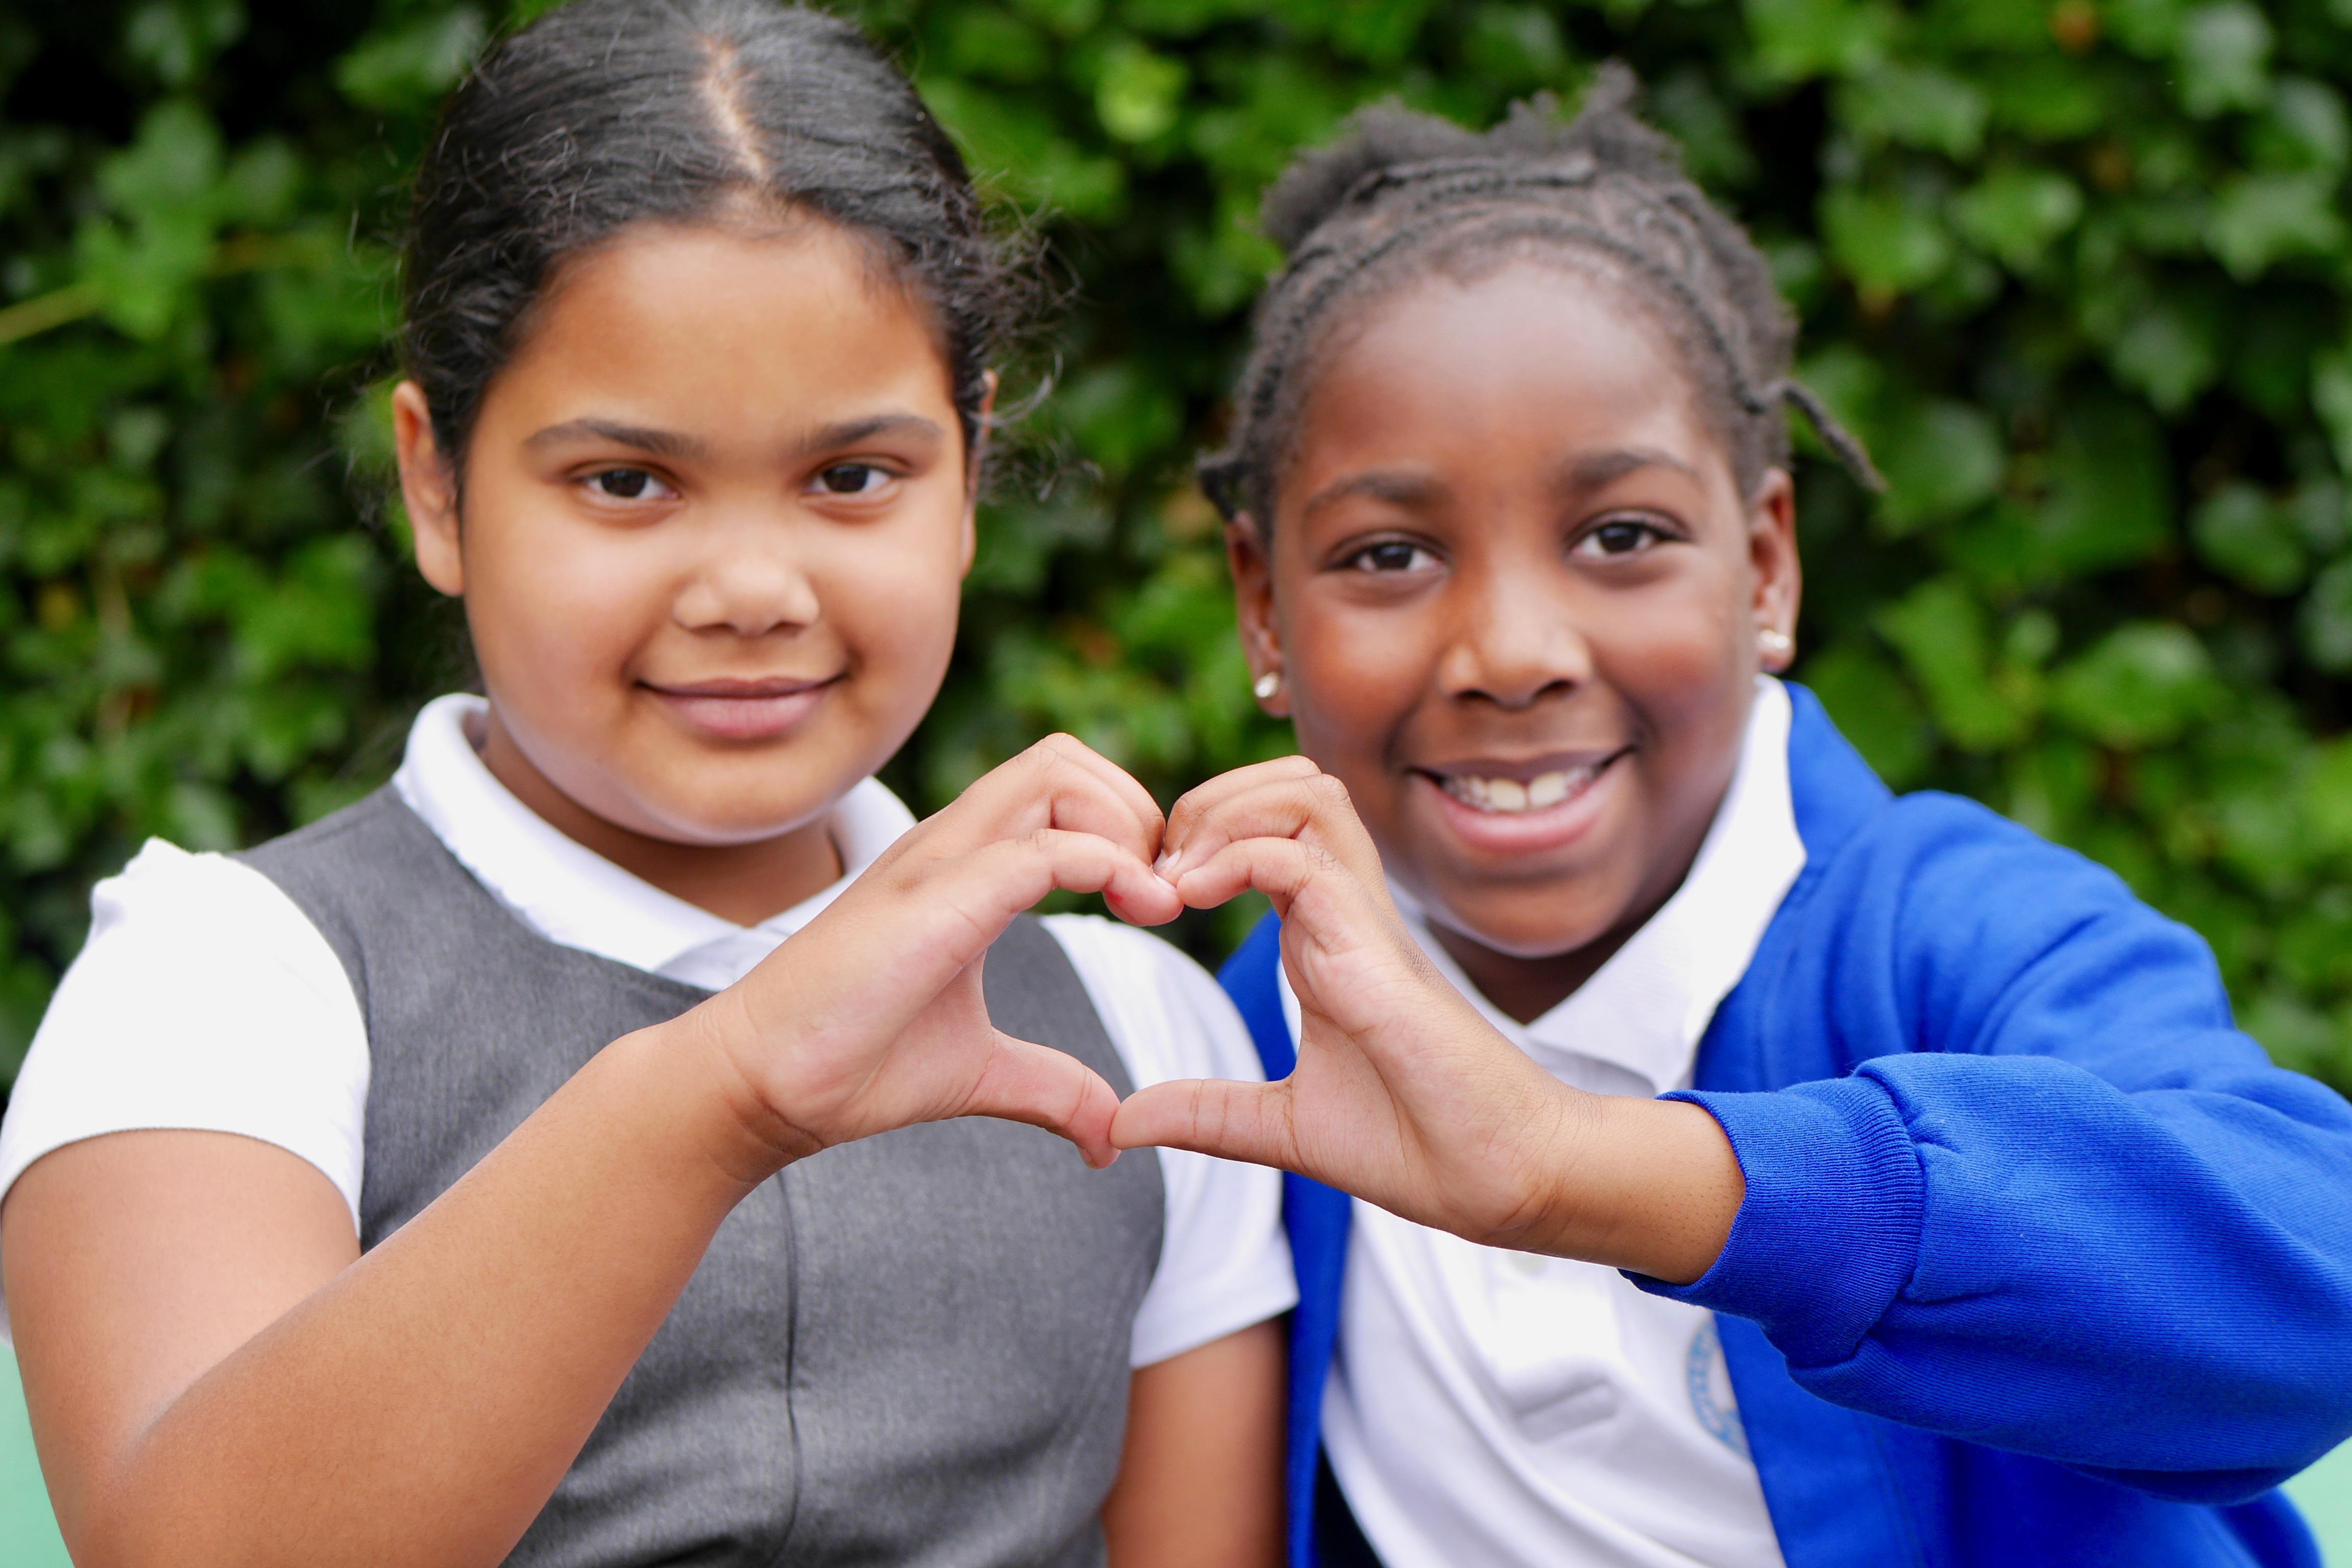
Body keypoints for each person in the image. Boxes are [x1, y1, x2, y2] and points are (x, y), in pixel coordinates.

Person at [0, 5, 1293, 1564]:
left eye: (851, 477)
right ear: (436, 480)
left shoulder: (1137, 1030)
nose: (752, 586)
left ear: (970, 468)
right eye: (626, 482)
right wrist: (726, 1084)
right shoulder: (230, 984)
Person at [1111, 74, 2352, 1568]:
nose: (1512, 651)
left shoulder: (1946, 929)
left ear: (1766, 566)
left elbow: (2309, 1288)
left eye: (1621, 536)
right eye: (1389, 554)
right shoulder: (1258, 1031)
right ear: (1261, 607)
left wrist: (1588, 1167)